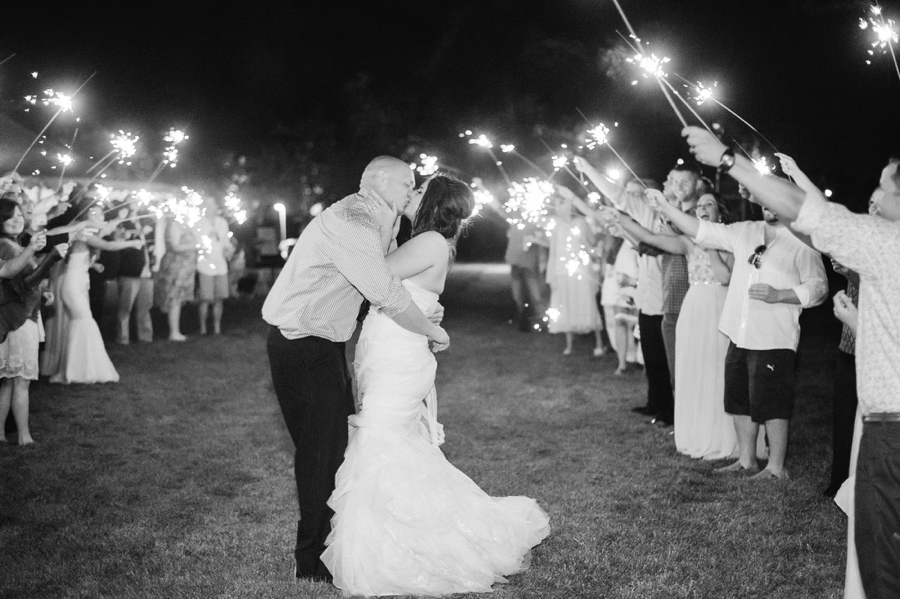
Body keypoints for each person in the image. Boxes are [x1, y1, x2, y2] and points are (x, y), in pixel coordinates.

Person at [321, 174, 550, 595]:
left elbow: (374, 275)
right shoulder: (427, 241)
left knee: (380, 440)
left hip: (399, 354)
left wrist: (383, 221)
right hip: (392, 349)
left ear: (435, 204)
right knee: (391, 439)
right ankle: (401, 534)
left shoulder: (428, 242)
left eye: (421, 190)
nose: (412, 193)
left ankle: (395, 548)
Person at [262, 156, 450, 583]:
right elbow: (382, 291)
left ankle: (331, 546)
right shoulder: (352, 220)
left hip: (323, 345)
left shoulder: (380, 223)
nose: (411, 190)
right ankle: (309, 563)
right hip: (301, 344)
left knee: (332, 448)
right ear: (380, 180)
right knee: (319, 453)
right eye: (408, 182)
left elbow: (387, 279)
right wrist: (433, 332)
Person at [605, 192, 739, 459]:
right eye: (698, 205)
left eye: (708, 204)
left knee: (719, 372)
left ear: (719, 212)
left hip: (722, 308)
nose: (701, 208)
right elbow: (650, 238)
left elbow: (725, 277)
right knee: (695, 370)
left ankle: (726, 436)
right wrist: (620, 219)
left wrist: (710, 245)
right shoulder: (687, 243)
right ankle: (698, 432)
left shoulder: (732, 239)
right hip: (694, 309)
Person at [573, 160, 674, 424]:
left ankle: (667, 409)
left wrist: (590, 169)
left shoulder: (664, 218)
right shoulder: (645, 219)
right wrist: (622, 229)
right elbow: (643, 247)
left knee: (661, 357)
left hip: (666, 297)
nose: (630, 199)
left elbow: (651, 244)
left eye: (635, 194)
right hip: (648, 295)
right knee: (652, 355)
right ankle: (655, 403)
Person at [51, 200, 142, 384]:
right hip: (72, 285)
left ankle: (80, 368)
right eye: (97, 213)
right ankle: (79, 370)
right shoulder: (82, 231)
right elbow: (107, 245)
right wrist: (132, 242)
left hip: (81, 283)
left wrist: (118, 219)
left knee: (81, 322)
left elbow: (104, 232)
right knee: (85, 321)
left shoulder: (88, 232)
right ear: (87, 216)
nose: (101, 217)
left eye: (102, 213)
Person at [0, 199, 49, 445]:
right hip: (20, 320)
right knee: (21, 382)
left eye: (20, 214)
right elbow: (12, 274)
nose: (18, 219)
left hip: (13, 318)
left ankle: (1, 434)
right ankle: (24, 435)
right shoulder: (8, 246)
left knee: (8, 382)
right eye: (11, 216)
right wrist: (42, 256)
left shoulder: (10, 244)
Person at [544, 189, 604, 356]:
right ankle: (569, 344)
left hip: (581, 270)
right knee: (566, 305)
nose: (559, 207)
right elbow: (553, 250)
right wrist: (552, 274)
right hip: (561, 270)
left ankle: (598, 342)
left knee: (587, 302)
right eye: (557, 204)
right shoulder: (554, 224)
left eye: (562, 203)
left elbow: (591, 243)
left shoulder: (581, 222)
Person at [115, 204, 154, 344]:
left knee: (145, 306)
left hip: (146, 272)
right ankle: (123, 338)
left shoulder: (146, 221)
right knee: (125, 307)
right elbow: (119, 242)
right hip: (129, 272)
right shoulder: (122, 223)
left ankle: (145, 337)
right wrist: (136, 233)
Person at [154, 216, 197, 341]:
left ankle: (176, 330)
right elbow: (175, 246)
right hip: (176, 268)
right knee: (174, 298)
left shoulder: (188, 226)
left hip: (186, 268)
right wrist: (195, 246)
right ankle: (173, 332)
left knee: (179, 298)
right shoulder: (174, 226)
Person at [195, 196, 233, 335]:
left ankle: (217, 327)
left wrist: (228, 249)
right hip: (205, 265)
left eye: (213, 205)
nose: (211, 207)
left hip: (221, 265)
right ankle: (203, 328)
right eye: (208, 205)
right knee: (205, 298)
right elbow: (197, 243)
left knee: (219, 298)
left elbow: (226, 242)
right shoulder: (199, 223)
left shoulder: (222, 222)